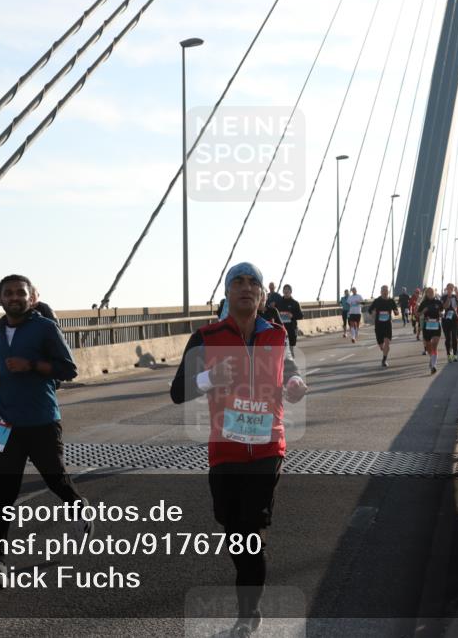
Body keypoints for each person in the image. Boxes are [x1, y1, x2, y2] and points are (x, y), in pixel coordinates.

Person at [170, 262, 308, 637]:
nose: (246, 288)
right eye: (238, 282)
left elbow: (290, 369)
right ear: (227, 293)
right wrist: (208, 377)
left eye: (253, 283)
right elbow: (177, 391)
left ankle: (249, 612)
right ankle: (249, 571)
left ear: (263, 296)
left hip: (267, 447)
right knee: (232, 528)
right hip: (225, 449)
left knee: (249, 530)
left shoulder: (277, 336)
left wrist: (294, 382)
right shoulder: (206, 336)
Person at [0, 274, 89, 576]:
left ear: (31, 297)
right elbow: (4, 362)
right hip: (5, 420)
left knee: (55, 479)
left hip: (41, 421)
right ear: (0, 299)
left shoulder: (45, 328)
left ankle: (80, 509)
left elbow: (69, 369)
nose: (14, 298)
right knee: (3, 491)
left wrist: (32, 365)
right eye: (8, 293)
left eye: (19, 293)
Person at [367, 285, 399, 367]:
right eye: (383, 290)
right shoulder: (377, 301)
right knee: (382, 346)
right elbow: (369, 310)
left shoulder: (391, 301)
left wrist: (396, 312)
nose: (385, 292)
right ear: (381, 292)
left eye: (386, 290)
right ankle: (383, 349)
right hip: (378, 325)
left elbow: (396, 312)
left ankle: (384, 360)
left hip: (388, 324)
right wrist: (373, 314)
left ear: (388, 292)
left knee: (387, 343)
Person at [418, 286, 445, 374]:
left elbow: (443, 311)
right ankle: (432, 358)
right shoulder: (424, 303)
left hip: (436, 326)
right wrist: (423, 311)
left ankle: (433, 365)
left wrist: (441, 314)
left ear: (434, 293)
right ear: (426, 293)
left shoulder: (438, 302)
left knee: (434, 345)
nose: (430, 294)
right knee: (429, 347)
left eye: (432, 292)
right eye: (428, 292)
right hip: (427, 326)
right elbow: (417, 314)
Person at [441, 284, 458, 363]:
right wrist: (448, 298)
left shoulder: (455, 297)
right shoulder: (443, 297)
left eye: (451, 288)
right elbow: (444, 307)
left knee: (454, 337)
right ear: (446, 289)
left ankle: (455, 355)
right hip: (445, 319)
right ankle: (449, 355)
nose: (450, 290)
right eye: (449, 288)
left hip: (454, 319)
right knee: (448, 338)